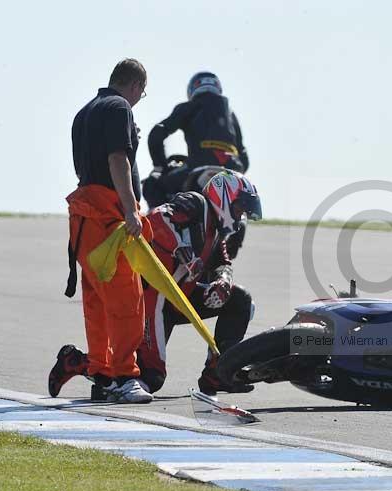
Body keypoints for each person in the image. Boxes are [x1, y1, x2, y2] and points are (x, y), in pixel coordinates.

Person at [49, 170, 262, 398]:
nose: (241, 217)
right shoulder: (195, 204)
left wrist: (222, 282)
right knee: (150, 378)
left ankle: (217, 374)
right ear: (224, 197)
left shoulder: (218, 233)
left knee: (240, 301)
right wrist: (181, 249)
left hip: (178, 300)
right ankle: (77, 362)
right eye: (240, 208)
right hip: (152, 299)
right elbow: (156, 218)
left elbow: (224, 263)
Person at [49, 58, 152, 403]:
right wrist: (129, 210)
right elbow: (117, 159)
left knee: (96, 300)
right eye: (143, 92)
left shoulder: (85, 112)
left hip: (82, 218)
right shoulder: (120, 107)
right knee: (126, 301)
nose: (140, 98)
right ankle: (125, 376)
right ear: (135, 85)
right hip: (108, 216)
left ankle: (103, 374)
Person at [142, 72, 250, 208]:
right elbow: (244, 156)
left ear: (192, 89)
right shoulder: (231, 115)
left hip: (197, 168)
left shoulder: (189, 107)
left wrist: (161, 165)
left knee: (153, 184)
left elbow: (157, 133)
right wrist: (238, 169)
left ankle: (163, 227)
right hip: (233, 169)